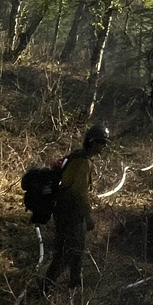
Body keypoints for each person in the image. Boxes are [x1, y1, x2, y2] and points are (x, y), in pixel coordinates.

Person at [41, 121, 109, 291]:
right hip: (71, 211)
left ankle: (75, 284)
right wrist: (88, 216)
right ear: (93, 142)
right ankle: (45, 287)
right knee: (68, 251)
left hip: (64, 209)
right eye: (102, 142)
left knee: (76, 250)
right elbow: (78, 193)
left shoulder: (78, 157)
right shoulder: (82, 162)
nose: (103, 146)